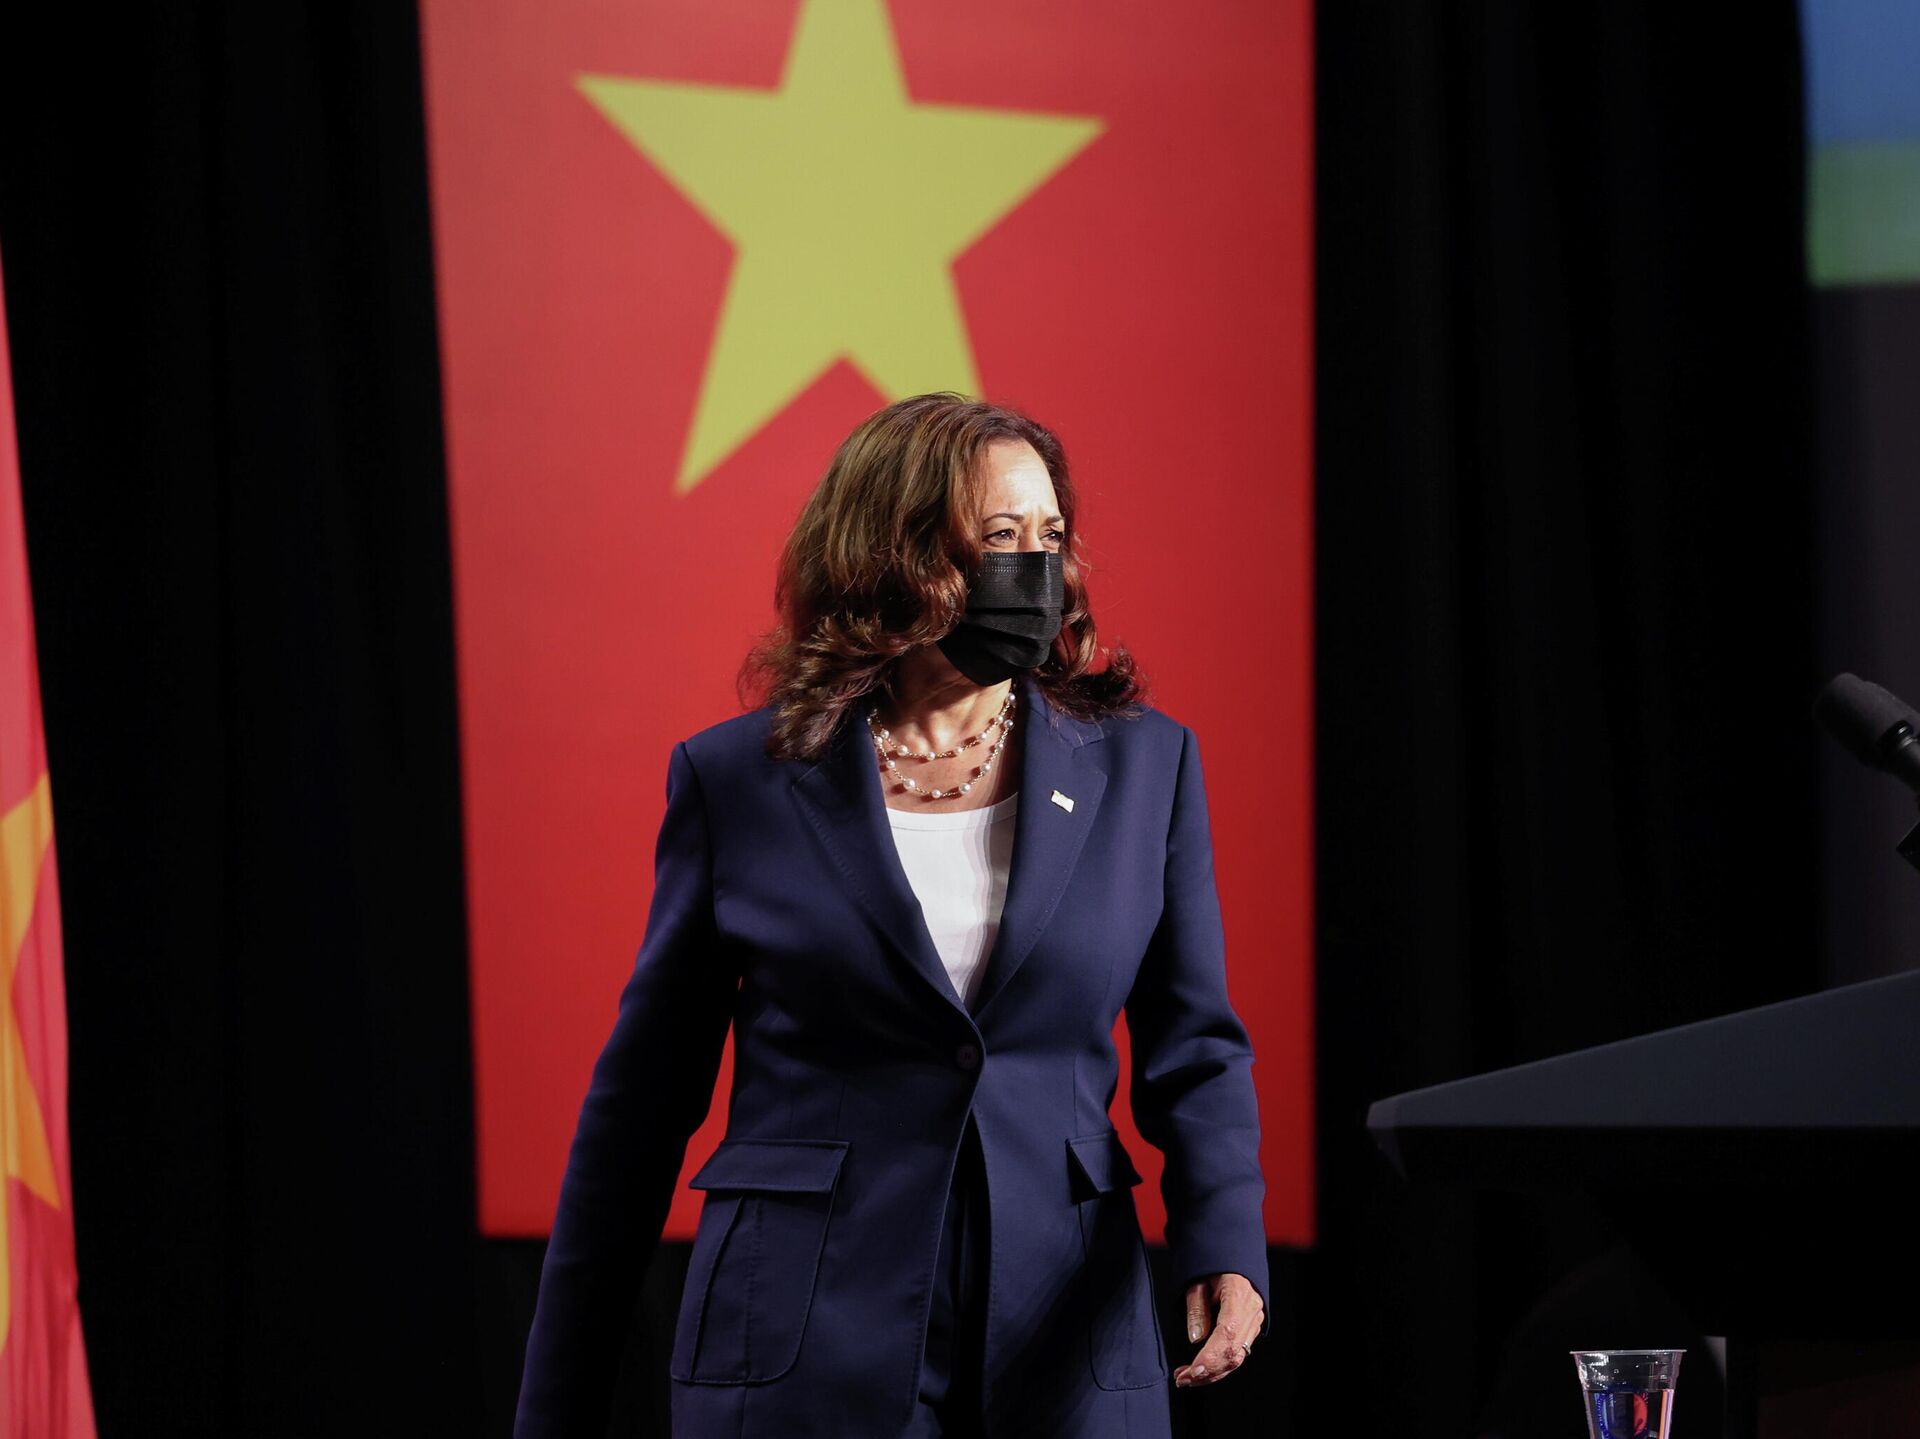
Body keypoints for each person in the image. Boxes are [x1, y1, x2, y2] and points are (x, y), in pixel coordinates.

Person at [513, 393, 1268, 1438]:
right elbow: (641, 1106)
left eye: (1050, 535)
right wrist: (556, 1402)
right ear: (896, 555)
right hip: (801, 1341)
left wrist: (1225, 1240)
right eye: (998, 536)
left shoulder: (1148, 766)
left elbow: (1196, 1045)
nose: (1037, 569)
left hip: (1065, 1343)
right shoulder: (738, 781)